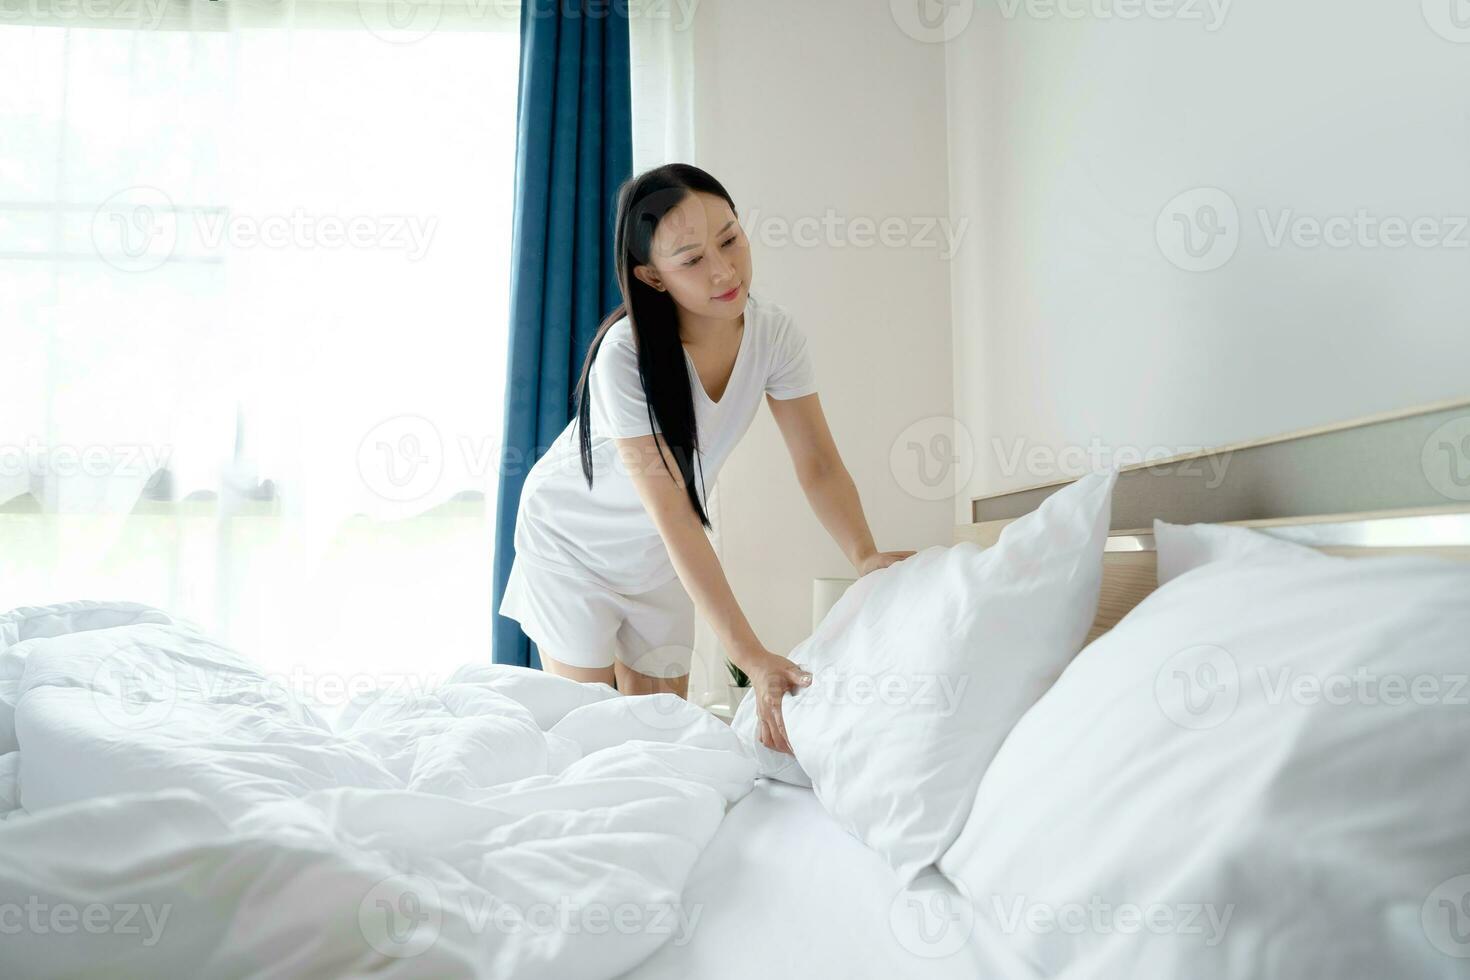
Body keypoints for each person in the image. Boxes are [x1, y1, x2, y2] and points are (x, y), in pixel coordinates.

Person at [498, 163, 914, 752]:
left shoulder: (775, 335)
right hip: (573, 545)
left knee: (659, 738)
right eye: (691, 259)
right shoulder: (625, 356)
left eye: (729, 238)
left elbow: (817, 460)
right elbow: (674, 512)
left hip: (659, 557)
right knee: (587, 737)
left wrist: (865, 553)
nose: (724, 269)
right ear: (652, 276)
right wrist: (751, 654)